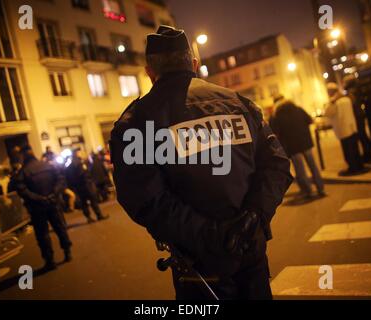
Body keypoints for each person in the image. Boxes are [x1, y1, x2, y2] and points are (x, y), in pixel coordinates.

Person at [110, 25, 293, 300]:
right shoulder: (238, 102)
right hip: (250, 251)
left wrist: (211, 236)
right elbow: (277, 164)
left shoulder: (135, 122)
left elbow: (144, 198)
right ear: (194, 64)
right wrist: (254, 217)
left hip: (199, 266)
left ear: (149, 71)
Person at [15, 145, 72, 271]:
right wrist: (53, 194)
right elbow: (60, 180)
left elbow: (22, 190)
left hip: (37, 208)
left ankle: (50, 260)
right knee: (60, 228)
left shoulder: (23, 172)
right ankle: (67, 252)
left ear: (23, 155)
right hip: (53, 203)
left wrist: (38, 198)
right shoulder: (47, 165)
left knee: (43, 234)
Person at [270, 96, 325, 199]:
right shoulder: (298, 109)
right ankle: (320, 188)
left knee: (300, 170)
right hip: (305, 142)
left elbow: (274, 132)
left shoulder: (276, 115)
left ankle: (308, 191)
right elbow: (310, 120)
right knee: (313, 166)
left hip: (292, 146)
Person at [325, 83, 369, 176]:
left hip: (343, 129)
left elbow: (328, 113)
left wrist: (330, 102)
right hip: (351, 127)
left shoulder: (334, 102)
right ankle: (359, 166)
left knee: (348, 151)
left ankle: (353, 168)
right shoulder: (346, 99)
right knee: (355, 148)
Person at [65, 148, 108, 223]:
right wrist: (88, 179)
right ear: (76, 153)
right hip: (85, 185)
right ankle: (99, 215)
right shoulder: (79, 163)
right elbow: (83, 174)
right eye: (79, 152)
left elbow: (69, 177)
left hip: (79, 187)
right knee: (93, 200)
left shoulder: (71, 164)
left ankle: (89, 217)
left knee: (84, 202)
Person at [343, 75, 371, 163]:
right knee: (362, 135)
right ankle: (367, 153)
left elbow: (353, 102)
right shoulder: (355, 89)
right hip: (358, 114)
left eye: (345, 82)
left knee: (362, 135)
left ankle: (368, 155)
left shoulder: (353, 90)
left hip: (357, 115)